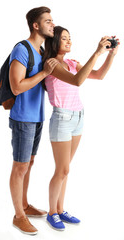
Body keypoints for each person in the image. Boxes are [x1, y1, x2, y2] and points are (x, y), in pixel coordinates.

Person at [43, 26, 119, 230]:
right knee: (62, 169)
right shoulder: (51, 64)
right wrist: (96, 52)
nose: (69, 41)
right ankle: (51, 213)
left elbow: (99, 75)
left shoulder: (71, 62)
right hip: (62, 118)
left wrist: (110, 54)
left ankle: (60, 209)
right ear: (54, 42)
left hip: (78, 116)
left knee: (66, 170)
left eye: (70, 38)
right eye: (64, 39)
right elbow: (77, 81)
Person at [9, 7, 58, 235]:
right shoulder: (22, 49)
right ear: (36, 25)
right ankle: (18, 216)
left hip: (37, 116)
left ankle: (25, 205)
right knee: (20, 166)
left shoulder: (41, 50)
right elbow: (16, 87)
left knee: (29, 164)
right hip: (23, 118)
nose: (52, 24)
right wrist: (43, 74)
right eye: (48, 21)